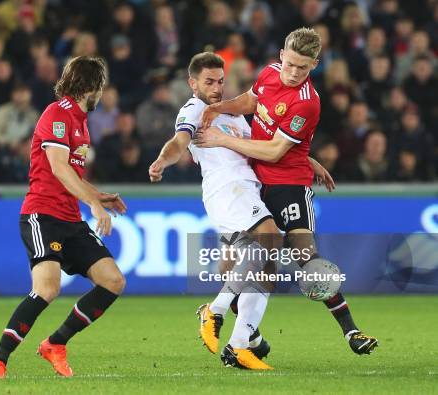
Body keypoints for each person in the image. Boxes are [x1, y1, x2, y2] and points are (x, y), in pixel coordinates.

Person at [196, 27, 378, 355]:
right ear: (281, 56)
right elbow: (252, 101)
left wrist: (222, 138)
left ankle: (351, 330)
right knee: (233, 263)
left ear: (315, 65)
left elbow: (275, 152)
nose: (294, 73)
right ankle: (247, 339)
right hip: (253, 182)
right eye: (290, 64)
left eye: (303, 68)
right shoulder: (269, 73)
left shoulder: (307, 103)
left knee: (305, 258)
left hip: (288, 185)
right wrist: (220, 108)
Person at [148, 52, 331, 370]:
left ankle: (240, 345)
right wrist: (164, 160)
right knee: (271, 238)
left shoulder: (234, 115)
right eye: (209, 82)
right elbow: (179, 141)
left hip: (250, 191)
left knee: (264, 267)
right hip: (229, 192)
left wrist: (307, 160)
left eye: (220, 81)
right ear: (192, 83)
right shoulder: (194, 109)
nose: (217, 88)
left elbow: (265, 147)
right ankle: (215, 311)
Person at [0, 56, 127, 379]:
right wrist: (94, 204)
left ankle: (55, 343)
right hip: (42, 215)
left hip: (69, 219)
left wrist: (99, 196)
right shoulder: (57, 114)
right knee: (47, 288)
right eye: (100, 86)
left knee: (113, 281)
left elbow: (71, 174)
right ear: (92, 86)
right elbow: (59, 168)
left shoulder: (81, 122)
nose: (102, 93)